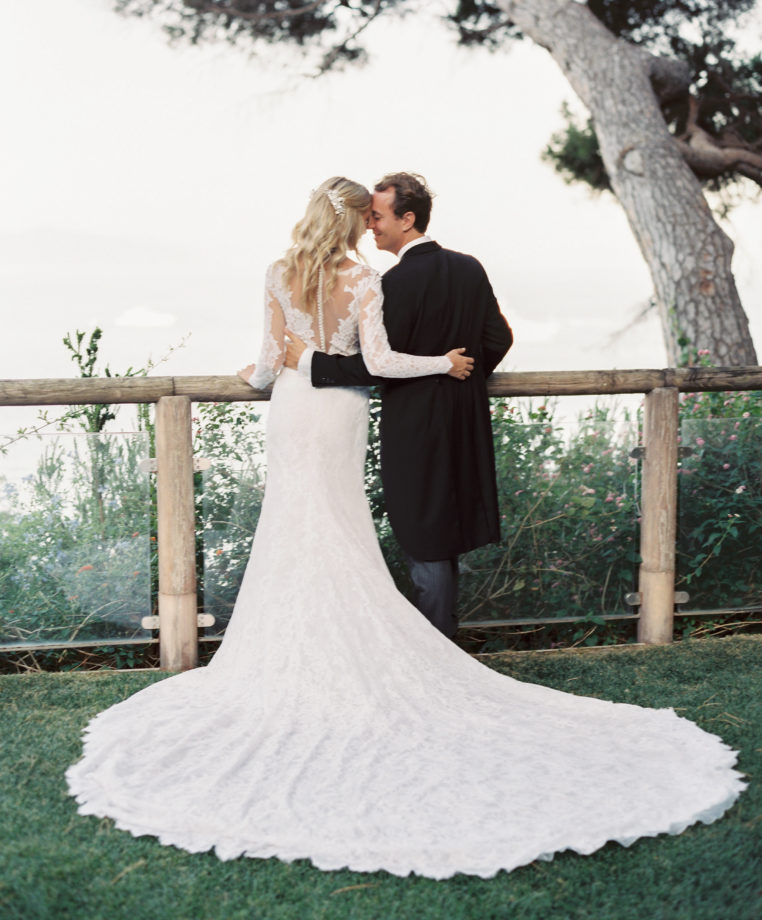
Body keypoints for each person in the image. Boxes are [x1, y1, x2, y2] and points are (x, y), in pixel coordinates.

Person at [66, 176, 744, 880]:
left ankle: (298, 655)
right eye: (366, 216)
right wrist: (452, 368)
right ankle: (390, 650)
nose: (373, 226)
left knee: (294, 528)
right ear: (353, 221)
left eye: (380, 216)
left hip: (295, 409)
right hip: (348, 413)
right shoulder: (378, 277)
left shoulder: (283, 272)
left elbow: (273, 366)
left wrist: (266, 374)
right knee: (338, 526)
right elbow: (407, 358)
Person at [285, 172, 512, 638]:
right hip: (465, 419)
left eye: (377, 217)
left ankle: (437, 646)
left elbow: (376, 366)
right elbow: (499, 339)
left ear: (407, 220)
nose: (369, 225)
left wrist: (310, 362)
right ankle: (445, 639)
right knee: (448, 527)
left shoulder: (392, 283)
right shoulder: (469, 268)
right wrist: (461, 378)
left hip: (414, 426)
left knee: (424, 532)